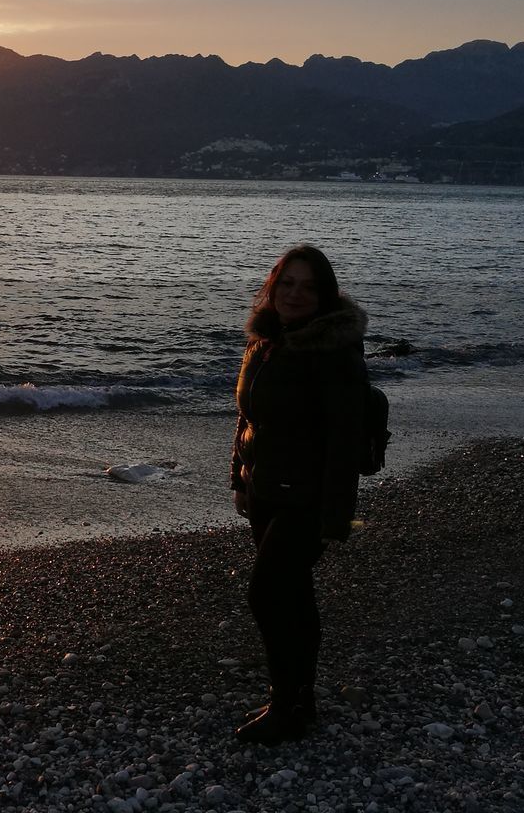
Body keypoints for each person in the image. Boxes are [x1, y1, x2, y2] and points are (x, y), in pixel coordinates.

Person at [229, 244, 368, 745]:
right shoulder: (264, 341)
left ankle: (285, 702)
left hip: (307, 497)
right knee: (295, 596)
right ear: (273, 285)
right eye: (287, 283)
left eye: (308, 286)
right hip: (265, 489)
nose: (295, 294)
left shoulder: (332, 353)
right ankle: (300, 701)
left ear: (324, 294)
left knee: (266, 594)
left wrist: (336, 518)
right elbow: (248, 416)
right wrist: (238, 477)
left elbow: (346, 440)